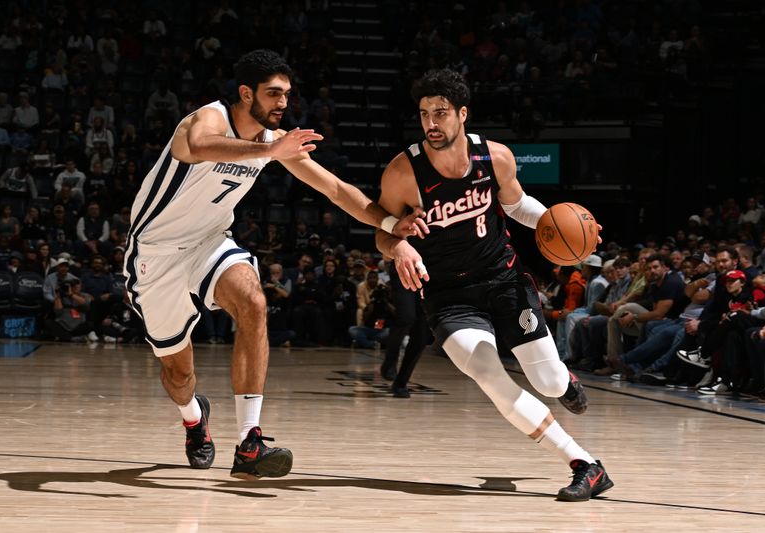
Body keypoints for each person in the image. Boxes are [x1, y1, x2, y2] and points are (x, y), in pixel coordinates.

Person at [123, 49, 425, 480]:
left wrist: (393, 223)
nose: (283, 102)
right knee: (178, 373)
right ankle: (194, 417)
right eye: (273, 93)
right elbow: (198, 147)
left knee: (254, 302)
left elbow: (337, 190)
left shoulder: (271, 143)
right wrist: (269, 149)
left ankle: (250, 441)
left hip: (208, 242)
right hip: (155, 253)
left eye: (287, 93)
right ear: (246, 94)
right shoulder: (206, 120)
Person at [374, 68, 611, 502]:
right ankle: (585, 464)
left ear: (462, 114)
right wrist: (397, 246)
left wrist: (555, 223)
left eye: (441, 112)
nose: (431, 122)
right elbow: (381, 229)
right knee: (488, 375)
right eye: (424, 113)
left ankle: (566, 382)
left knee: (550, 382)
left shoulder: (495, 157)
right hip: (447, 296)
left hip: (502, 279)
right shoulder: (402, 172)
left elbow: (516, 204)